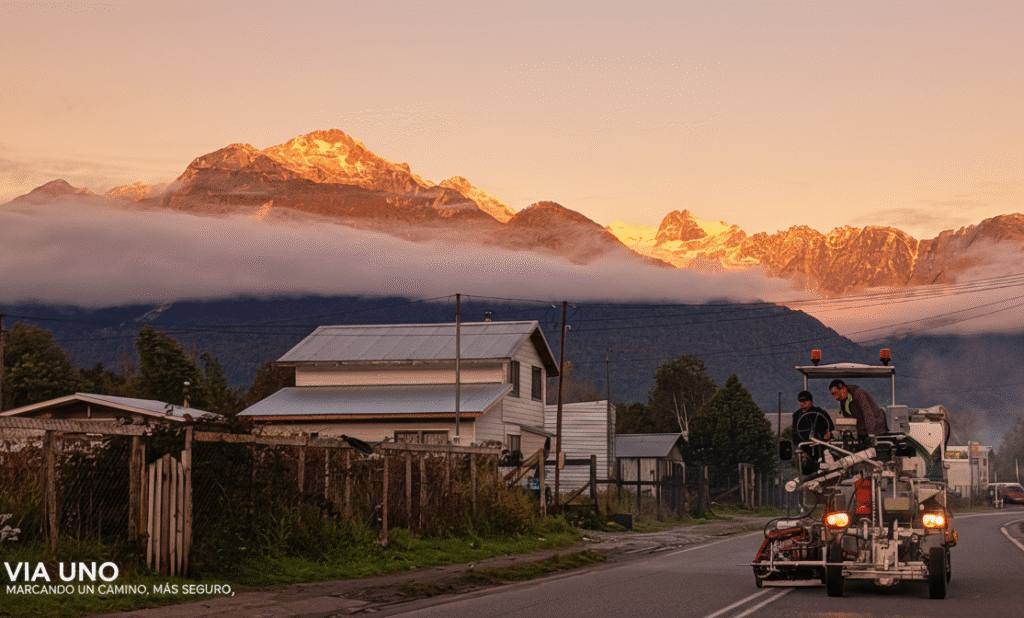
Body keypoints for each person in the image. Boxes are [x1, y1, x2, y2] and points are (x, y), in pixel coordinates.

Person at [792, 390, 834, 473]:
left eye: (805, 401)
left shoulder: (820, 412)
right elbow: (795, 434)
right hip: (805, 446)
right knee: (806, 467)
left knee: (827, 456)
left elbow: (830, 427)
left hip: (822, 444)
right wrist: (802, 450)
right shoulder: (796, 415)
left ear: (810, 401)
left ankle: (831, 468)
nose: (802, 403)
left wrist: (828, 434)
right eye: (800, 401)